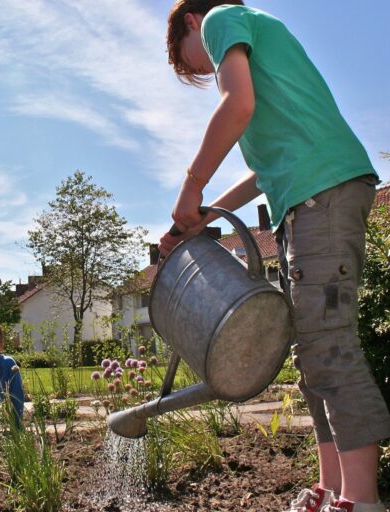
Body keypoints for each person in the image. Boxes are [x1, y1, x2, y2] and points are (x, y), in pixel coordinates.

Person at [159, 2, 390, 511]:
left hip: (321, 194)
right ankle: (332, 489)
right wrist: (202, 211)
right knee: (311, 354)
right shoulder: (263, 56)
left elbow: (235, 105)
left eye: (191, 63)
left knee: (331, 347)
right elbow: (263, 174)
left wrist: (190, 186)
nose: (202, 71)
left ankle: (364, 500)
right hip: (305, 197)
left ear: (190, 24)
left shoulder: (221, 16)